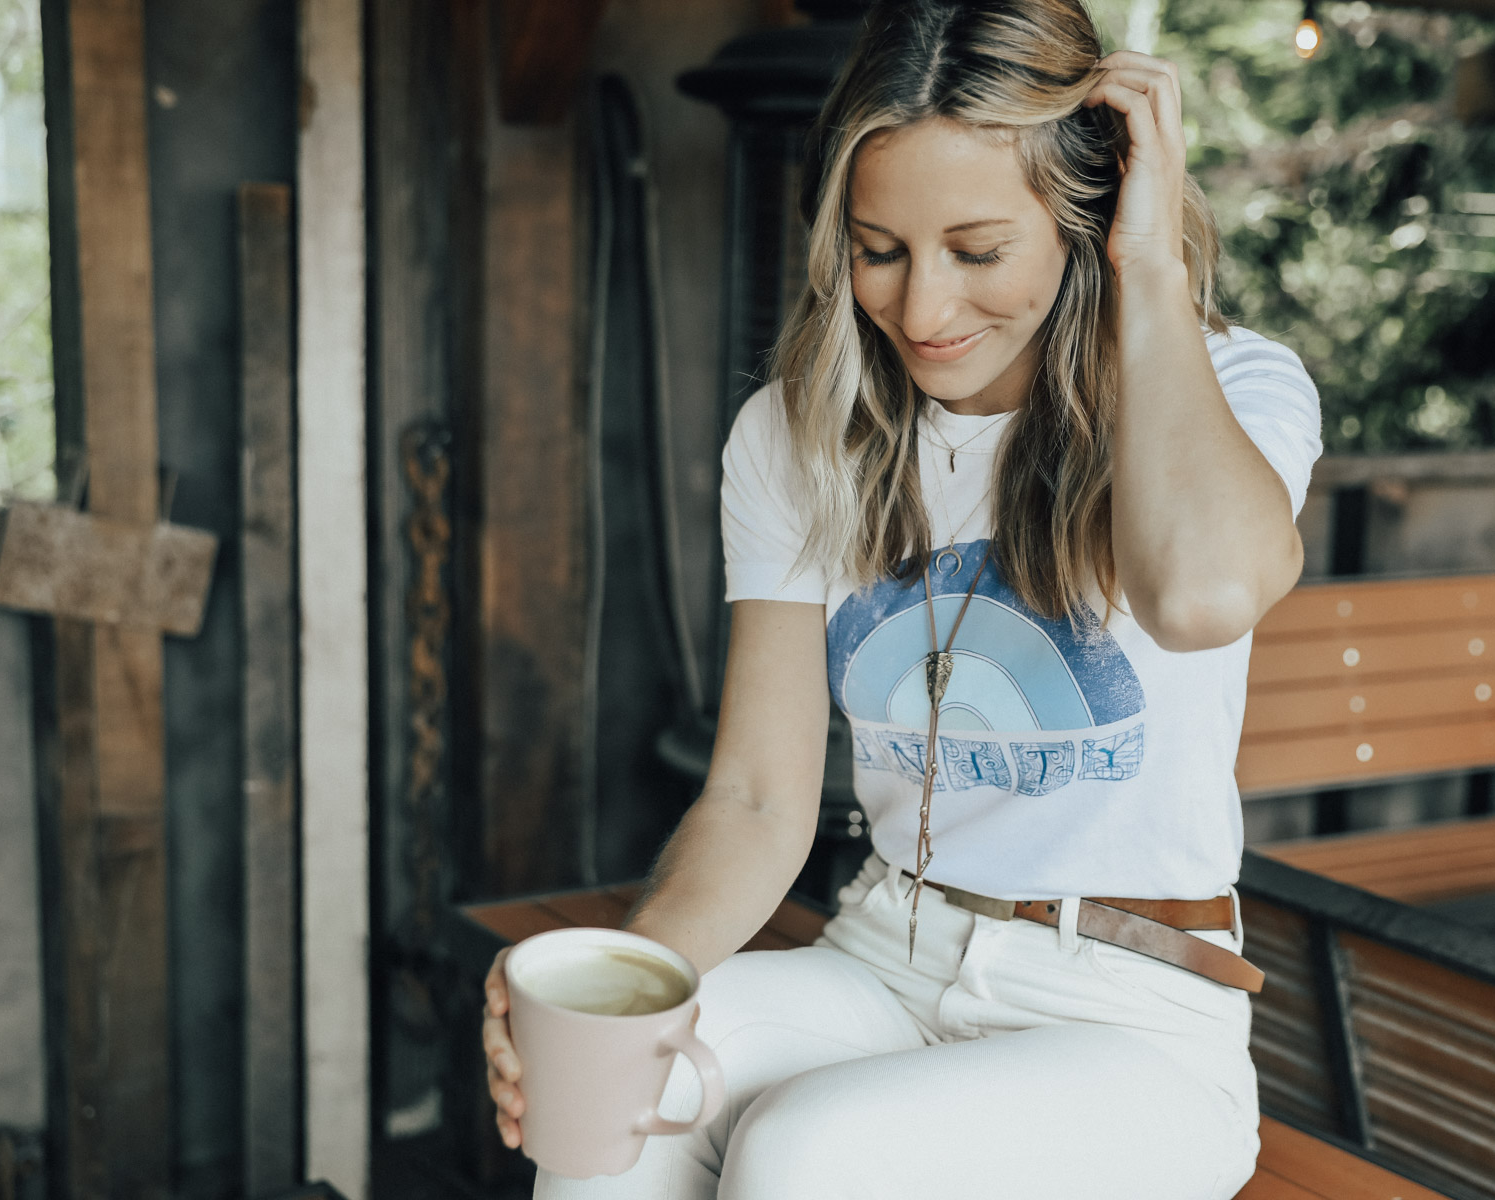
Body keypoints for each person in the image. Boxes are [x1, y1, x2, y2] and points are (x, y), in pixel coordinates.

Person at [484, 0, 1322, 1195]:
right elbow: (762, 799)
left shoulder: (1233, 386)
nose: (923, 313)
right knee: (625, 1083)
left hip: (1133, 1016)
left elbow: (1200, 596)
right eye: (881, 251)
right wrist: (606, 989)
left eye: (978, 252)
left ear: (1086, 219)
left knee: (803, 1153)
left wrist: (1148, 268)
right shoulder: (795, 433)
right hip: (886, 952)